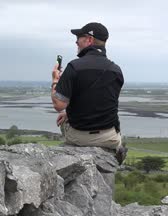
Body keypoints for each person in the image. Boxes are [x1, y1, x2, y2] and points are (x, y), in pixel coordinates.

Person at [50, 22, 127, 164]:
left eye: (79, 38)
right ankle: (116, 150)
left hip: (79, 138)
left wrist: (55, 80)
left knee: (64, 121)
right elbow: (103, 101)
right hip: (109, 138)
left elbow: (59, 105)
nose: (76, 42)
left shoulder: (74, 66)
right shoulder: (116, 70)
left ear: (89, 40)